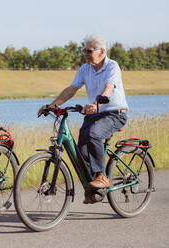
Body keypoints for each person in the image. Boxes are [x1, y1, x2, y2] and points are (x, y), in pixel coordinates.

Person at [38, 34, 128, 198]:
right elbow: (72, 89)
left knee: (93, 134)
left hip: (115, 113)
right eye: (84, 50)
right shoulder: (85, 69)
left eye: (89, 50)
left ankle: (102, 176)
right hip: (95, 115)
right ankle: (93, 189)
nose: (85, 53)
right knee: (82, 151)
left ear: (101, 52)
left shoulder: (112, 66)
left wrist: (96, 104)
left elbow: (108, 88)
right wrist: (51, 106)